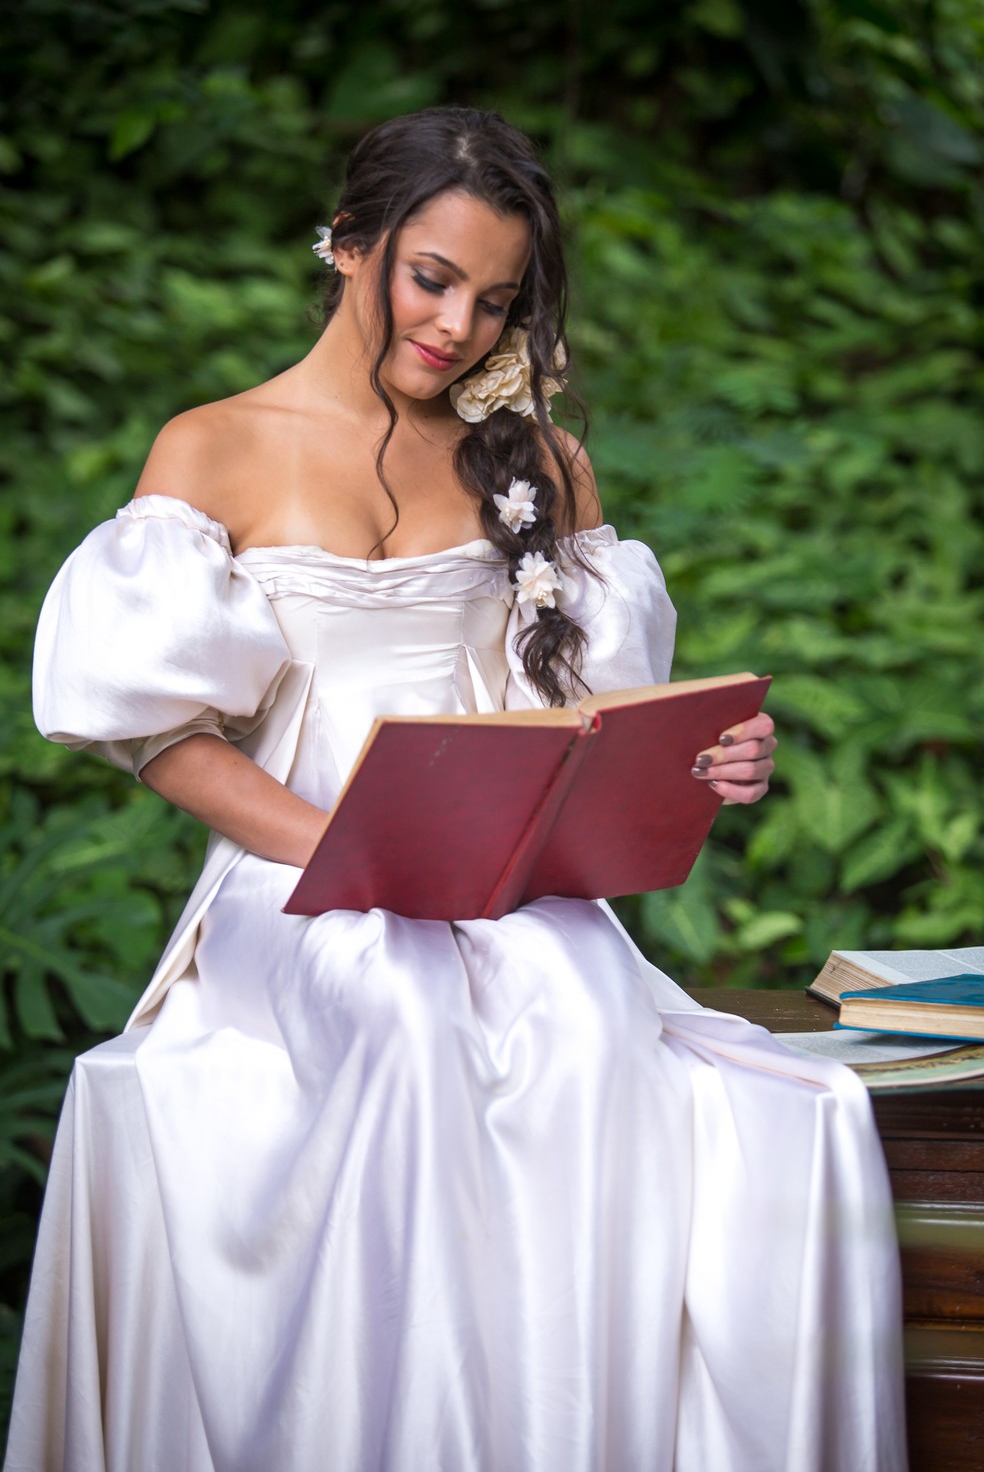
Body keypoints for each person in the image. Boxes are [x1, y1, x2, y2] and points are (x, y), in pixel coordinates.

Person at [6, 107, 906, 1472]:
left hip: (493, 876)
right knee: (398, 997)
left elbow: (584, 722)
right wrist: (353, 852)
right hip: (296, 878)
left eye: (495, 301)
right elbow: (164, 739)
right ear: (350, 243)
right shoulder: (216, 447)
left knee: (583, 1000)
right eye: (431, 278)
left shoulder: (533, 464)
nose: (458, 328)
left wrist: (711, 757)